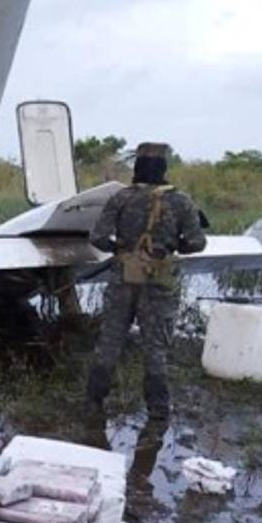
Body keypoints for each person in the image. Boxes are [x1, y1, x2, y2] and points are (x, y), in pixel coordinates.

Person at [86, 142, 206, 421]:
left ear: (137, 170)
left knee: (110, 342)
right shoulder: (182, 201)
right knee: (155, 347)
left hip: (122, 278)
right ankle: (158, 411)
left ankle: (94, 403)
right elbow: (198, 243)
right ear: (163, 170)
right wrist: (173, 246)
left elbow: (98, 238)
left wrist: (120, 250)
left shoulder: (121, 198)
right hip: (159, 283)